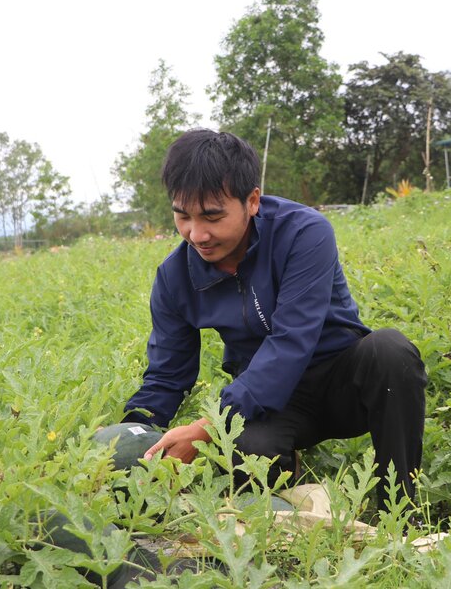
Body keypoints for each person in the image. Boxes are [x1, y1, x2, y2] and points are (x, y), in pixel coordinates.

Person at [122, 129, 427, 506]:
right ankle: (288, 482)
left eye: (212, 216)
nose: (197, 234)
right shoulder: (175, 277)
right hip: (272, 403)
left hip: (340, 383)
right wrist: (130, 434)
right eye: (182, 216)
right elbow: (167, 375)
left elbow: (291, 343)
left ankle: (398, 511)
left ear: (251, 201)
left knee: (390, 351)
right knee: (247, 451)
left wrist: (206, 428)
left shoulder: (304, 233)